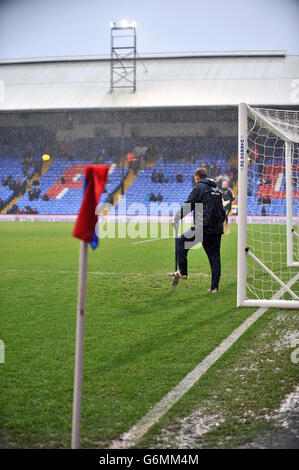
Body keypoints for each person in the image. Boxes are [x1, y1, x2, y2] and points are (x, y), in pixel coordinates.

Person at [168, 167, 225, 293]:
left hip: (203, 227)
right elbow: (222, 209)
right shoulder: (217, 189)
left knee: (181, 241)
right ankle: (214, 287)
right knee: (215, 257)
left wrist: (177, 218)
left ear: (197, 177)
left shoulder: (199, 188)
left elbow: (189, 205)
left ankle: (183, 272)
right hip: (216, 229)